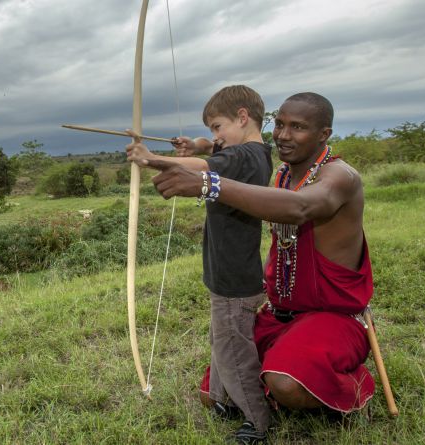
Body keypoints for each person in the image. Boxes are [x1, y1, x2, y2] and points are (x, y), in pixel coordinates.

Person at [148, 92, 376, 418]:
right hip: (279, 316)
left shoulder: (341, 176)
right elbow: (226, 151)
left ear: (323, 134)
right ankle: (284, 375)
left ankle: (350, 383)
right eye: (279, 124)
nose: (283, 135)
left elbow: (301, 207)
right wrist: (199, 147)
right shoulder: (283, 175)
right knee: (216, 393)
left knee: (285, 382)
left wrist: (209, 184)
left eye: (297, 127)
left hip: (332, 318)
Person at [126, 85, 274, 444]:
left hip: (234, 279)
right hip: (231, 273)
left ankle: (257, 422)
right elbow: (212, 151)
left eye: (218, 126)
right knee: (222, 339)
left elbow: (206, 165)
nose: (215, 136)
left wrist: (152, 159)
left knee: (234, 350)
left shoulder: (245, 157)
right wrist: (199, 143)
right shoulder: (253, 151)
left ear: (242, 116)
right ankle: (224, 400)